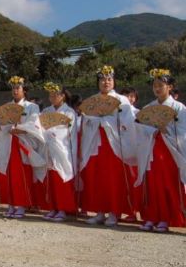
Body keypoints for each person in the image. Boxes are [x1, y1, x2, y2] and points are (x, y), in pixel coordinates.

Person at [79, 65, 138, 227]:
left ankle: (114, 212)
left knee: (113, 179)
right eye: (102, 79)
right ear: (98, 82)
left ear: (114, 81)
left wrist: (105, 121)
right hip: (96, 143)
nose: (106, 82)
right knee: (97, 178)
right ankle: (99, 212)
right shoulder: (92, 100)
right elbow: (85, 121)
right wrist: (93, 120)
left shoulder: (122, 100)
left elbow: (128, 122)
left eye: (109, 79)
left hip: (114, 145)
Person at [134, 69, 186, 232]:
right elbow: (140, 127)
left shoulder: (179, 107)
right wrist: (152, 130)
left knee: (166, 182)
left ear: (169, 87)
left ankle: (166, 217)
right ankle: (151, 216)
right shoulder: (149, 107)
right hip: (152, 147)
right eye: (155, 86)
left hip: (170, 149)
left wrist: (168, 130)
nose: (157, 88)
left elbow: (183, 130)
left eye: (161, 85)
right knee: (152, 182)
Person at [0, 76, 46, 219]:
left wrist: (21, 128)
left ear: (24, 90)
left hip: (22, 143)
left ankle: (22, 205)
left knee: (22, 175)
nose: (15, 90)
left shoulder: (32, 107)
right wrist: (4, 126)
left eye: (18, 88)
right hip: (9, 142)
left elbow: (35, 125)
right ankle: (11, 204)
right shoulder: (7, 106)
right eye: (13, 88)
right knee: (9, 175)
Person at [40, 82, 78, 222]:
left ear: (62, 96)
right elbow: (40, 127)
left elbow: (71, 132)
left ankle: (63, 208)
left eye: (56, 94)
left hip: (63, 148)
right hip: (49, 148)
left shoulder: (69, 112)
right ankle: (53, 207)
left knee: (62, 177)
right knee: (51, 177)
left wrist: (54, 134)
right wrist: (45, 134)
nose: (53, 97)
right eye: (50, 94)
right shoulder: (45, 112)